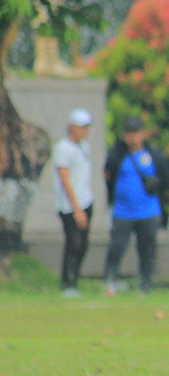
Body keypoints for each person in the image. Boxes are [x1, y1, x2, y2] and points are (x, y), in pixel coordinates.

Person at [103, 116, 169, 296]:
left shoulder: (153, 155)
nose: (132, 138)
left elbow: (164, 178)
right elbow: (109, 179)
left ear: (142, 134)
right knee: (116, 248)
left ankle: (145, 286)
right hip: (123, 213)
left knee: (147, 250)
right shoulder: (116, 156)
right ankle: (110, 282)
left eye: (136, 133)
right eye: (129, 133)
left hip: (148, 212)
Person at [53, 108, 95, 297]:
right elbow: (65, 180)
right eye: (81, 127)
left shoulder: (84, 147)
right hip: (70, 205)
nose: (84, 131)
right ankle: (67, 283)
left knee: (83, 244)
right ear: (72, 127)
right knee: (73, 244)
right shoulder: (63, 148)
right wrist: (76, 208)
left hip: (86, 201)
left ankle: (75, 280)